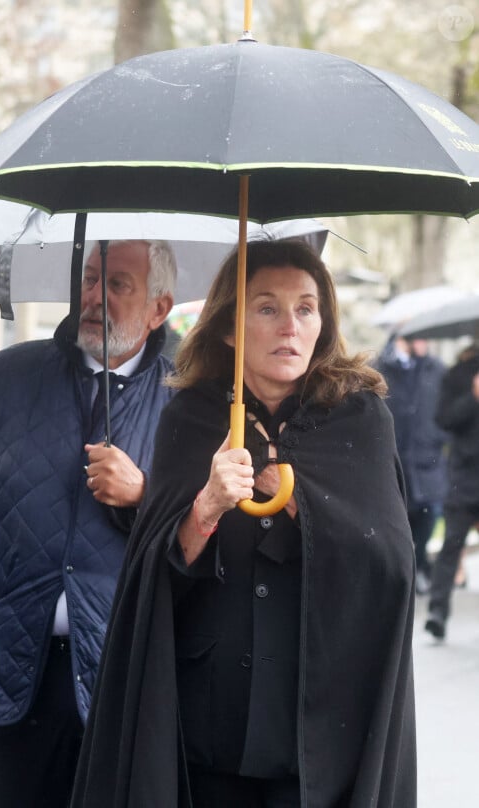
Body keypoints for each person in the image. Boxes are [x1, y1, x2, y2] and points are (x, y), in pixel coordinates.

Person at [71, 238, 417, 808]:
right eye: (267, 308)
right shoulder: (192, 416)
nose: (289, 325)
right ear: (230, 329)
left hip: (317, 736)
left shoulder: (359, 419)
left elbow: (390, 567)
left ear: (322, 324)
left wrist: (301, 505)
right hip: (209, 730)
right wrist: (204, 508)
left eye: (305, 308)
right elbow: (156, 576)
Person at [0, 239, 176, 808]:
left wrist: (145, 494)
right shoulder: (0, 380)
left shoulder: (192, 400)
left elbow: (213, 531)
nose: (94, 297)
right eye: (87, 279)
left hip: (130, 680)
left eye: (118, 285)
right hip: (16, 675)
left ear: (160, 308)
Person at [376, 335, 447, 595]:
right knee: (398, 523)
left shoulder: (436, 369)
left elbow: (446, 411)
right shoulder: (380, 368)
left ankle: (419, 568)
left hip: (428, 460)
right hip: (393, 460)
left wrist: (436, 437)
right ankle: (406, 573)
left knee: (429, 518)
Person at [425, 341, 479, 640]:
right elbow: (443, 418)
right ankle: (437, 613)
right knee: (451, 547)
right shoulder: (459, 375)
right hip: (465, 478)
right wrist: (473, 397)